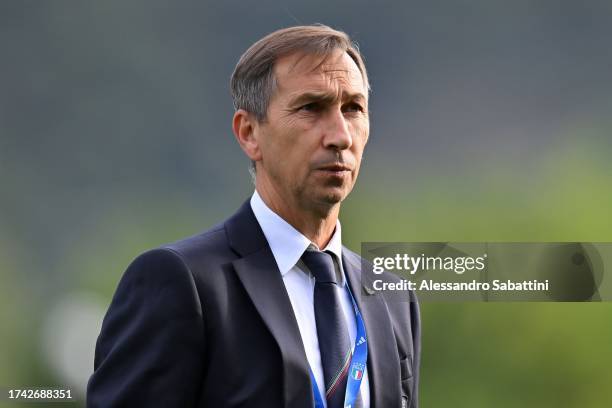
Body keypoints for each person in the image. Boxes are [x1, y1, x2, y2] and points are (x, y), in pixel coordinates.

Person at [87, 24, 420, 408]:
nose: (340, 135)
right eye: (311, 108)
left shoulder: (392, 299)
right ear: (248, 133)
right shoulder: (181, 282)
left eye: (353, 108)